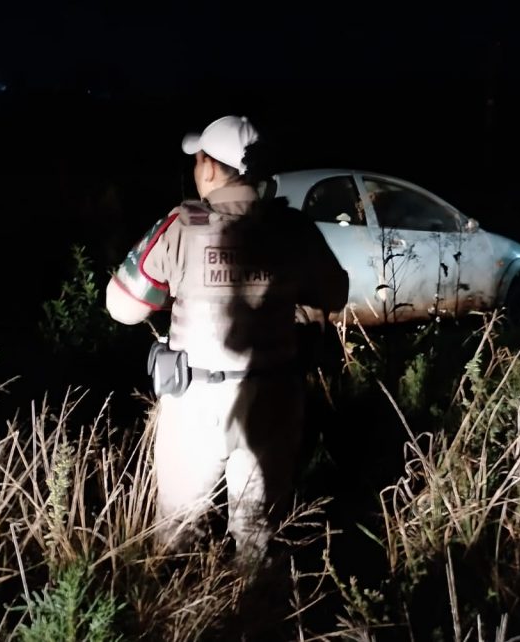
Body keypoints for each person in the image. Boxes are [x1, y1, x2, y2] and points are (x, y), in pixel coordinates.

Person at [105, 115, 349, 565]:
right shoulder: (295, 230)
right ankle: (254, 616)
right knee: (258, 535)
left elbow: (122, 306)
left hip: (195, 402)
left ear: (211, 168)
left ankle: (186, 616)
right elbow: (336, 292)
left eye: (198, 160)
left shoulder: (181, 224)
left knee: (177, 531)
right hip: (273, 401)